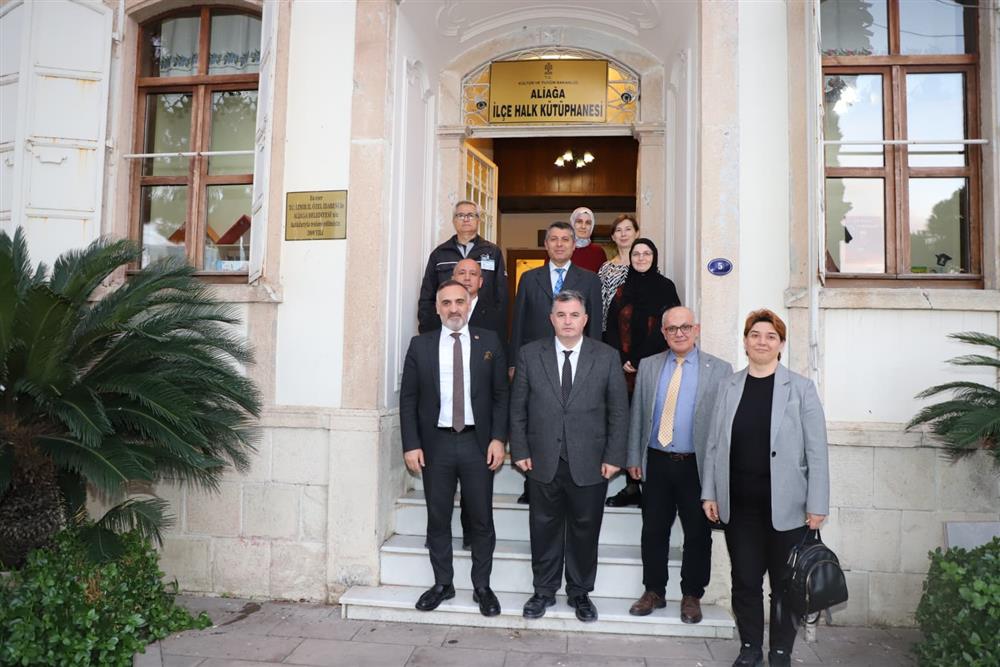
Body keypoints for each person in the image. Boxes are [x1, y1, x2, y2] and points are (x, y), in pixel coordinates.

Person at [701, 309, 830, 667]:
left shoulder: (801, 389)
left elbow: (817, 451)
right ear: (745, 342)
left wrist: (817, 503)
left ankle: (780, 652)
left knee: (786, 585)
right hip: (740, 507)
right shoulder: (728, 386)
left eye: (770, 336)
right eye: (755, 335)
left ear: (781, 344)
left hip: (788, 509)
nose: (762, 342)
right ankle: (750, 648)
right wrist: (710, 492)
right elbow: (714, 444)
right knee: (745, 581)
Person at [509, 290, 629, 623]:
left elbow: (619, 411)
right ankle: (543, 591)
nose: (567, 321)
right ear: (551, 319)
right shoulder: (530, 354)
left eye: (574, 315)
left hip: (591, 461)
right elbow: (517, 408)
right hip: (542, 459)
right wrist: (520, 449)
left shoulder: (606, 356)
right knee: (543, 529)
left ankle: (580, 592)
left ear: (585, 319)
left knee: (585, 530)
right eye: (561, 315)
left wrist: (614, 455)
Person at [399, 281, 509, 617]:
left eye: (460, 301)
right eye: (446, 303)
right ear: (437, 308)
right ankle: (442, 584)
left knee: (481, 518)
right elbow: (408, 399)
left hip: (478, 444)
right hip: (437, 445)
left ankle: (482, 586)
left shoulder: (489, 341)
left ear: (469, 303)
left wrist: (498, 439)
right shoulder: (420, 345)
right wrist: (411, 444)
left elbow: (501, 395)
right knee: (438, 517)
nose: (453, 308)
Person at [625, 306, 733, 624]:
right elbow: (638, 413)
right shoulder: (649, 366)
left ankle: (691, 595)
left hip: (696, 465)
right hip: (656, 461)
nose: (679, 333)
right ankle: (654, 591)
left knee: (697, 533)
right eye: (672, 328)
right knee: (653, 530)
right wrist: (634, 457)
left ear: (696, 329)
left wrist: (718, 472)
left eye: (685, 327)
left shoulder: (720, 369)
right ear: (663, 333)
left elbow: (723, 426)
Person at [509, 220, 602, 504]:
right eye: (554, 239)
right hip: (535, 363)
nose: (559, 244)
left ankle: (574, 477)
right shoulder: (529, 278)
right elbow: (518, 321)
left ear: (574, 245)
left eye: (565, 239)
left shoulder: (590, 280)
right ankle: (533, 480)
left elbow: (595, 324)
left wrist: (595, 363)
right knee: (537, 419)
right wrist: (514, 362)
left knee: (569, 418)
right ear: (546, 245)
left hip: (576, 361)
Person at [603, 238, 681, 507]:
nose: (641, 258)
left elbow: (669, 328)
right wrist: (623, 358)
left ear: (654, 257)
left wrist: (639, 359)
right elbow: (611, 327)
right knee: (628, 427)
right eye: (636, 254)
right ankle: (631, 485)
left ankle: (653, 485)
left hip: (655, 367)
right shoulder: (622, 290)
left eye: (646, 253)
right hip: (624, 371)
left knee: (652, 424)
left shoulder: (666, 288)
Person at [417, 200, 507, 334]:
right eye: (460, 215)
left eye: (470, 215)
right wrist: (428, 331)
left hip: (483, 327)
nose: (466, 219)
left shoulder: (493, 252)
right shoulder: (439, 254)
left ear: (478, 220)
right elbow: (427, 295)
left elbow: (501, 295)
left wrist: (498, 332)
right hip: (447, 326)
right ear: (454, 221)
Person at [597, 214, 638, 332]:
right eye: (618, 230)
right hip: (609, 331)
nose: (623, 234)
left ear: (637, 233)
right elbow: (599, 303)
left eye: (628, 229)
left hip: (636, 330)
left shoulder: (644, 266)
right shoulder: (605, 268)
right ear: (613, 237)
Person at [454, 258, 505, 339]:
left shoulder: (494, 317)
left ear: (480, 282)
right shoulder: (439, 314)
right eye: (462, 273)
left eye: (473, 274)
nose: (467, 278)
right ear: (453, 279)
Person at [569, 206, 607, 273]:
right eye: (579, 221)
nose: (583, 226)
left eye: (588, 223)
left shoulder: (599, 252)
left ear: (592, 227)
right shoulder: (561, 249)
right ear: (572, 224)